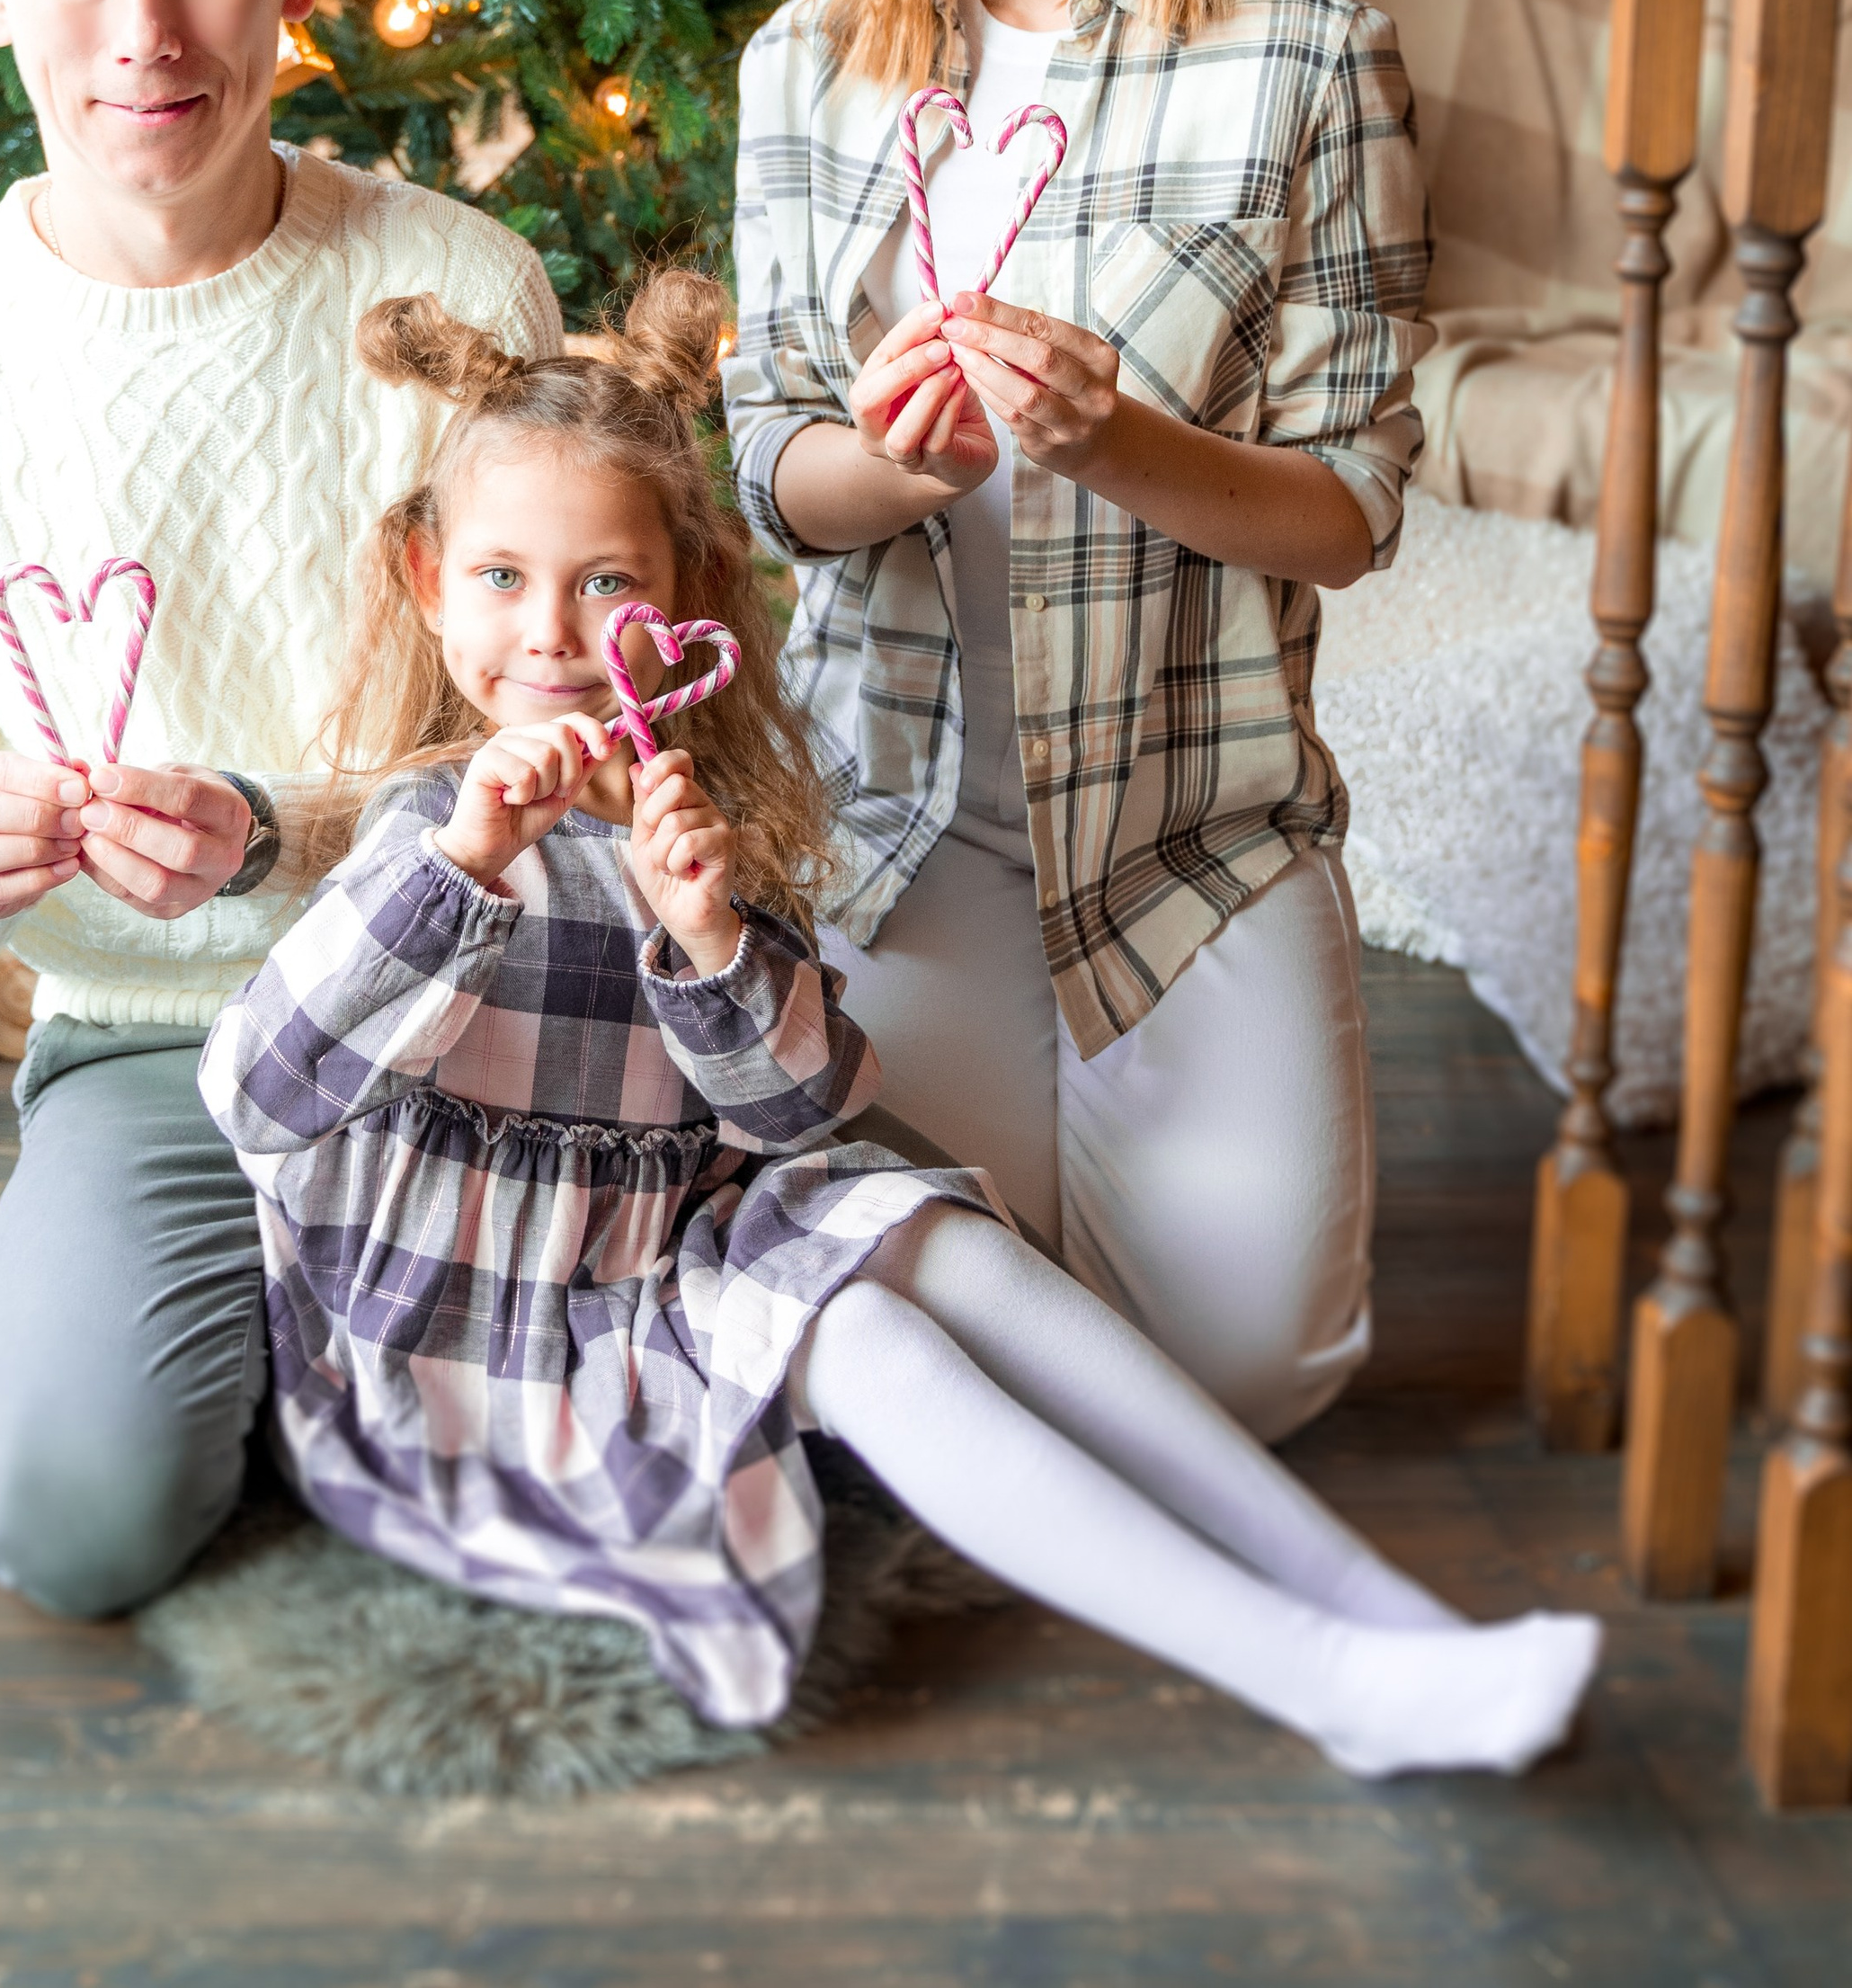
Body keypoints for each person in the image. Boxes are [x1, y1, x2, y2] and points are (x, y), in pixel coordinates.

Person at [200, 278, 1597, 1776]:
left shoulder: (688, 818)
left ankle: (1377, 1615)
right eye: (500, 577)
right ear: (428, 579)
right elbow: (259, 1094)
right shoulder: (428, 824)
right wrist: (464, 865)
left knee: (932, 1235)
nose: (550, 633)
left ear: (680, 599)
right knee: (866, 1335)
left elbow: (797, 1117)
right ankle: (1329, 1683)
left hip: (657, 1257)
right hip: (477, 1336)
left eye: (604, 583)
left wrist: (708, 936)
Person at [0, 0, 561, 1617]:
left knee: (606, 1468)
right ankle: (292, 1344)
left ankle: (354, 1357)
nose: (146, 29)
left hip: (473, 1002)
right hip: (155, 1052)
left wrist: (275, 830)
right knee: (71, 1531)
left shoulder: (461, 293)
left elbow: (565, 748)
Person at [724, 0, 1432, 1442]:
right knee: (927, 1331)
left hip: (1182, 831)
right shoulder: (808, 67)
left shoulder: (1310, 63)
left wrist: (1109, 438)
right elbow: (770, 463)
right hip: (893, 819)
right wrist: (897, 470)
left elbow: (1350, 517)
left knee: (1257, 1373)